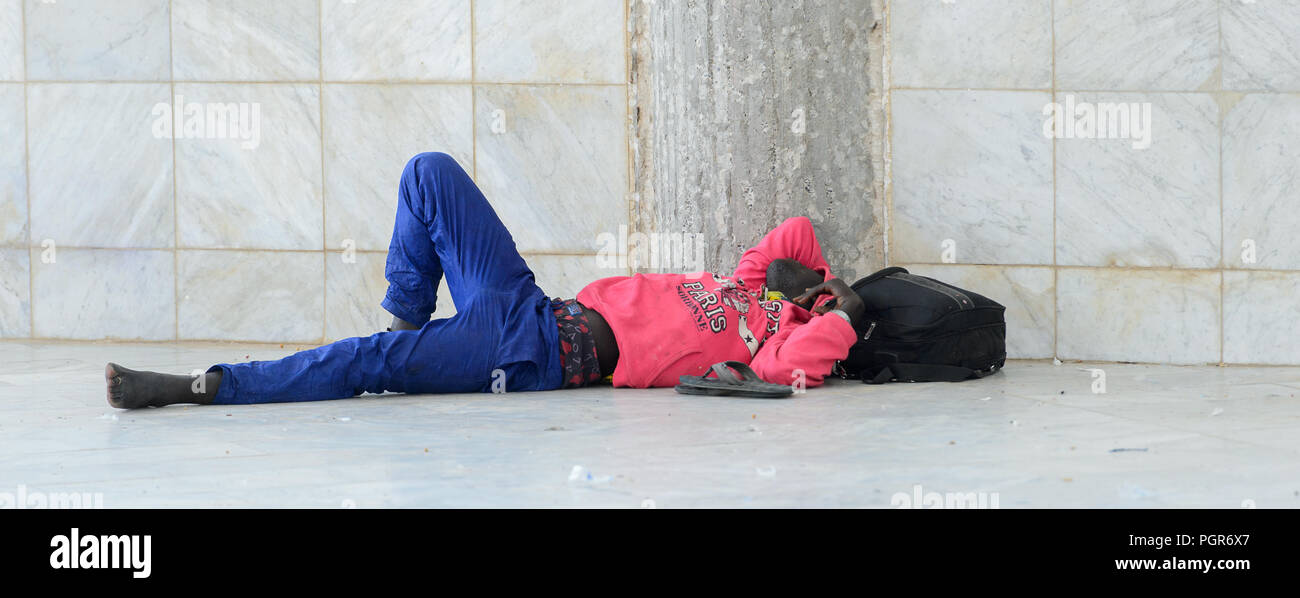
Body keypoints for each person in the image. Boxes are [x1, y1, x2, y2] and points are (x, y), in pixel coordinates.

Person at [105, 153, 865, 409]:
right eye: (795, 295)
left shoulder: (768, 347)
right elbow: (791, 234)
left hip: (535, 355)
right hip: (529, 304)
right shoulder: (753, 293)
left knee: (363, 365)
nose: (790, 294)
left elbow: (808, 358)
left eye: (806, 302)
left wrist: (836, 307)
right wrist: (806, 280)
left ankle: (206, 386)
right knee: (428, 174)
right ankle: (411, 326)